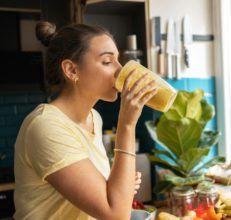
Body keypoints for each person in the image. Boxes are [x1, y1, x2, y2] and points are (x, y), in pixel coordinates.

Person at [14, 21, 157, 220]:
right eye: (107, 62)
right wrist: (127, 125)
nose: (120, 70)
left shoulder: (94, 118)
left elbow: (102, 196)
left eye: (118, 61)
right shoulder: (46, 126)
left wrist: (121, 185)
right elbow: (115, 215)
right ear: (72, 70)